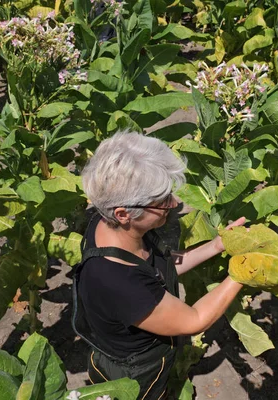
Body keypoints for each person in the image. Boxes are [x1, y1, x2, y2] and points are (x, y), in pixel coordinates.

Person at [73, 131, 245, 400]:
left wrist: (216, 246)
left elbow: (160, 269)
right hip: (134, 374)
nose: (175, 204)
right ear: (123, 213)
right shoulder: (118, 282)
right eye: (163, 201)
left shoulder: (109, 226)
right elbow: (194, 320)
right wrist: (245, 272)